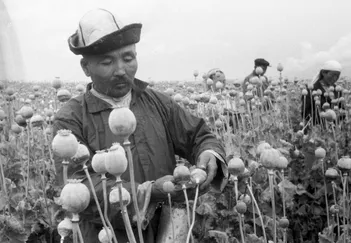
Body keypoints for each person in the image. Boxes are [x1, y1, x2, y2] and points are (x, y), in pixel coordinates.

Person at [54, 9, 227, 243]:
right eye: (107, 62)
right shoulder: (70, 118)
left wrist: (209, 153)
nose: (121, 70)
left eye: (128, 58)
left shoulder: (156, 102)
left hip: (168, 230)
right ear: (86, 67)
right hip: (106, 235)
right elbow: (80, 185)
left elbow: (198, 134)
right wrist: (147, 193)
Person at [301, 60, 342, 125]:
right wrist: (325, 115)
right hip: (319, 128)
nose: (335, 78)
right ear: (323, 73)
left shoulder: (337, 90)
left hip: (335, 127)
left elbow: (341, 108)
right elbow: (305, 114)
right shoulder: (311, 90)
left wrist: (341, 113)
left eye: (337, 76)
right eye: (333, 75)